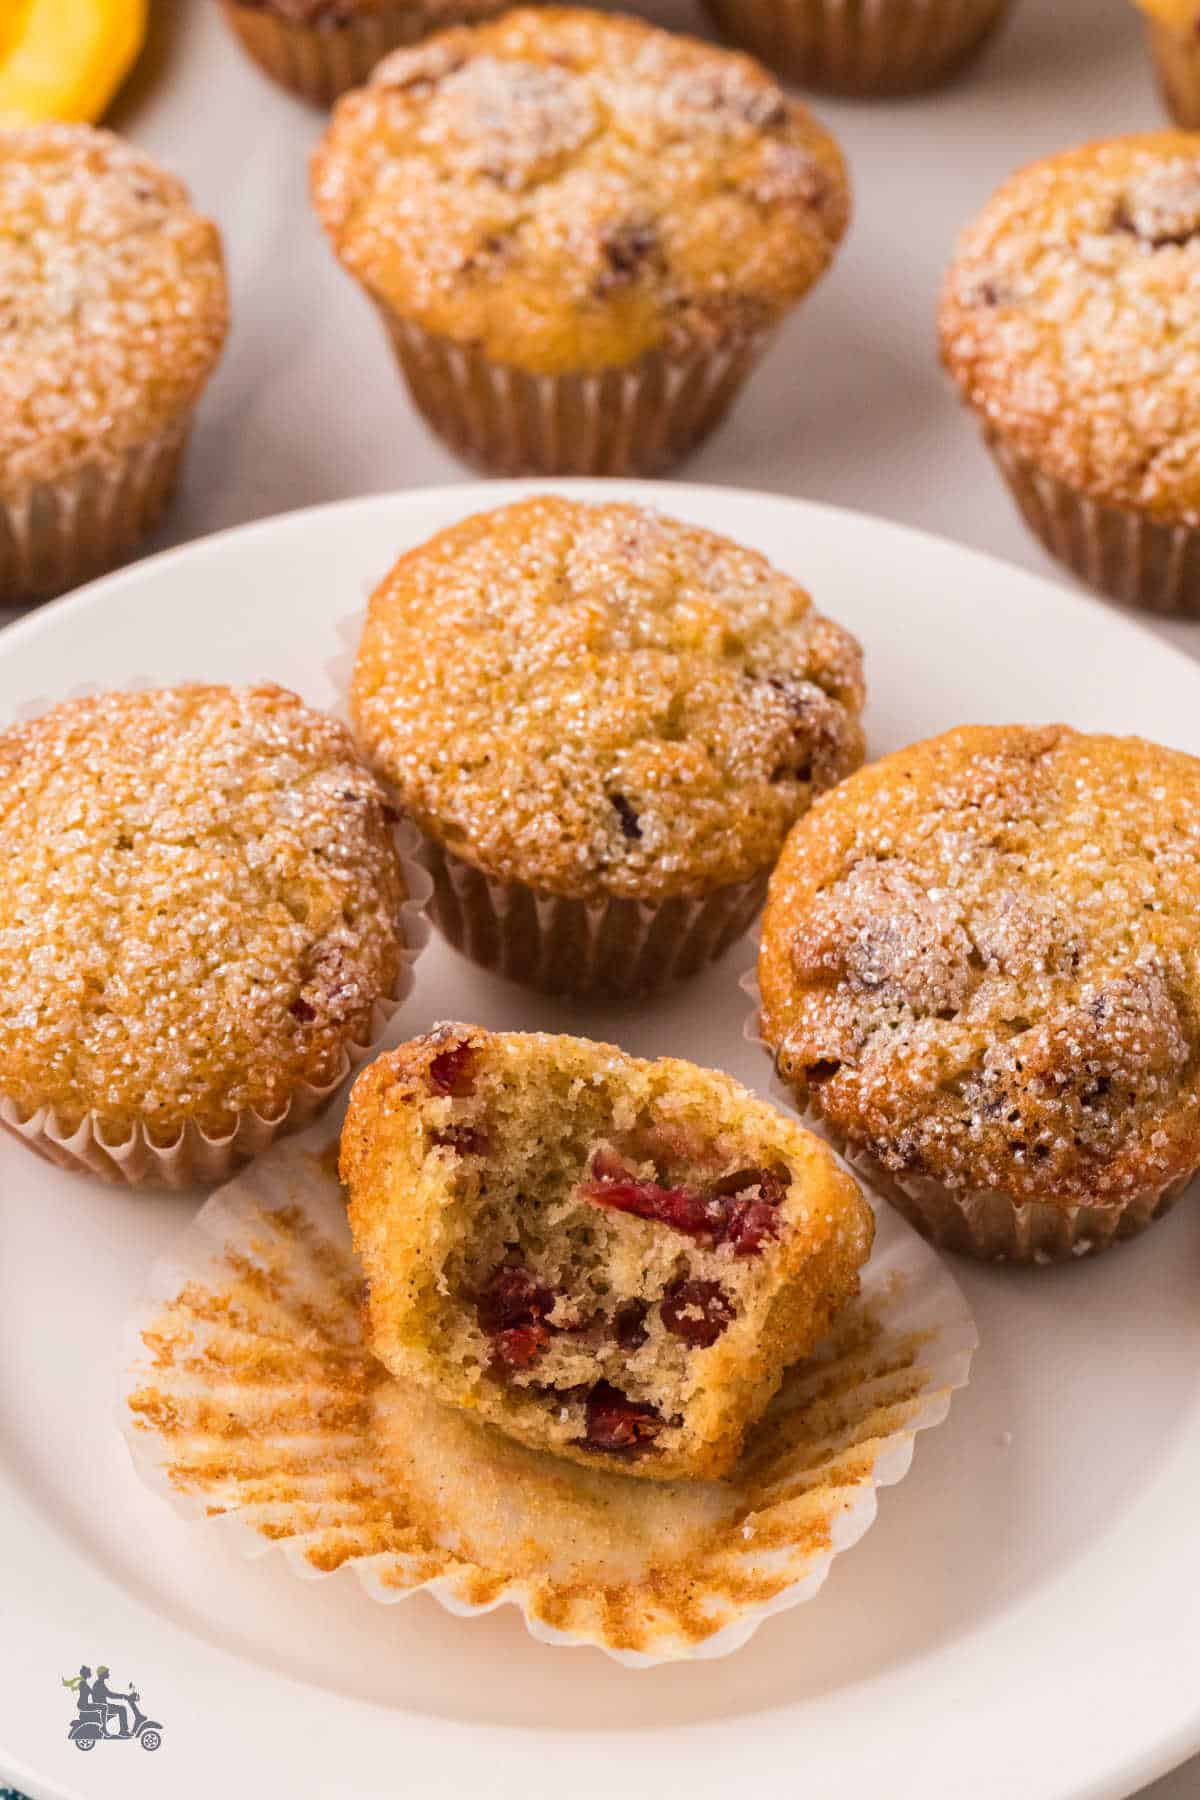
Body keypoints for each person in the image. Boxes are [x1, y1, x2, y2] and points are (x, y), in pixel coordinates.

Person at [90, 1666, 131, 1736]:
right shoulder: (99, 1684)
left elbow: (109, 1694)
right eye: (107, 1673)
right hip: (102, 1706)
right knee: (122, 1709)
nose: (108, 1674)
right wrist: (124, 1696)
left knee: (121, 1708)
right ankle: (123, 1731)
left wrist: (123, 1696)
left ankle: (123, 1730)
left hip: (103, 1705)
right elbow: (110, 1695)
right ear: (102, 1674)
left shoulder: (99, 1683)